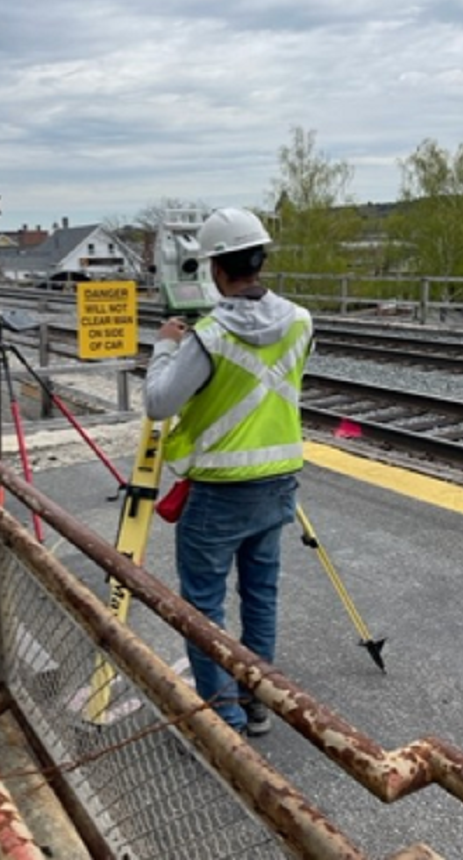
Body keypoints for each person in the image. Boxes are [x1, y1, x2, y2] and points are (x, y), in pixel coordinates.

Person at [143, 206, 313, 736]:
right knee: (261, 594)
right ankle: (254, 699)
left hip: (218, 492)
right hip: (277, 484)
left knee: (202, 608)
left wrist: (166, 345)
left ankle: (222, 720)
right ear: (260, 260)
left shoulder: (208, 336)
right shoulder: (302, 321)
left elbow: (158, 401)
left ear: (215, 269)